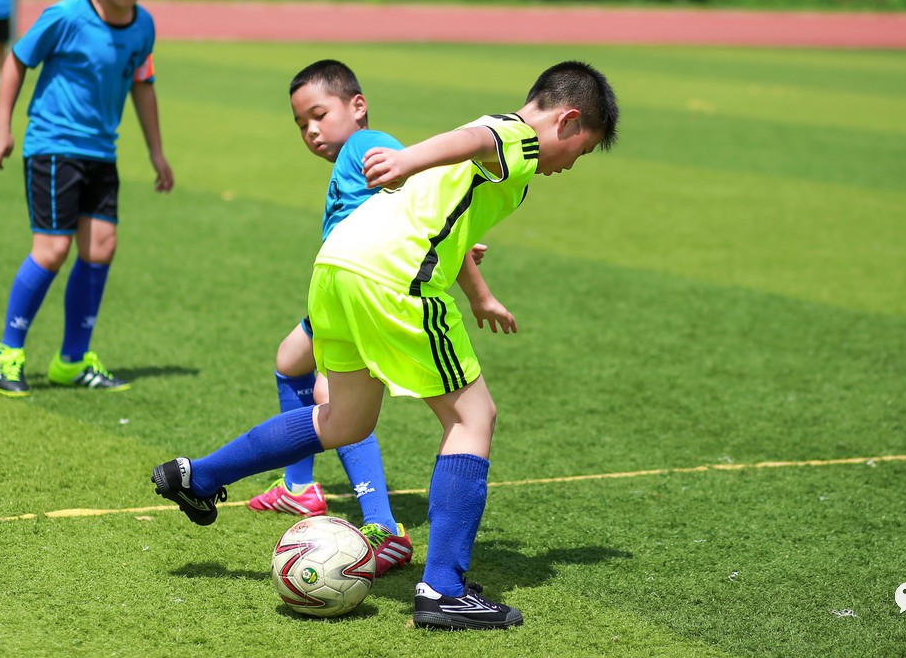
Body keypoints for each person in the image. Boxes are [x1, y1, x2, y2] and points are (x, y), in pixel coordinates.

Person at [152, 60, 618, 630]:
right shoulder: (517, 134)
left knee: (343, 421)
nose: (570, 165)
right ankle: (443, 590)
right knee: (473, 417)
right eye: (582, 150)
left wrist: (479, 294)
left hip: (338, 267)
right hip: (394, 279)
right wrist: (408, 156)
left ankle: (198, 476)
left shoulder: (494, 155)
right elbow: (474, 138)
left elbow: (449, 211)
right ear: (567, 121)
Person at [248, 58, 516, 575]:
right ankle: (299, 486)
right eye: (301, 123)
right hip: (340, 290)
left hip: (367, 290)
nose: (310, 130)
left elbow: (421, 207)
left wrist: (476, 290)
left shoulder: (366, 146)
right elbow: (421, 213)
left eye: (319, 115)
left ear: (357, 106)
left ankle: (383, 526)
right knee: (290, 359)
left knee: (335, 400)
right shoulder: (352, 156)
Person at [0, 0, 173, 397]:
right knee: (52, 250)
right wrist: (1, 125)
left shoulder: (143, 25)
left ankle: (72, 359)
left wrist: (157, 153)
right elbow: (17, 60)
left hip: (101, 152)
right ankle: (8, 351)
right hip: (53, 146)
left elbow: (142, 85)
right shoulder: (64, 16)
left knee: (101, 248)